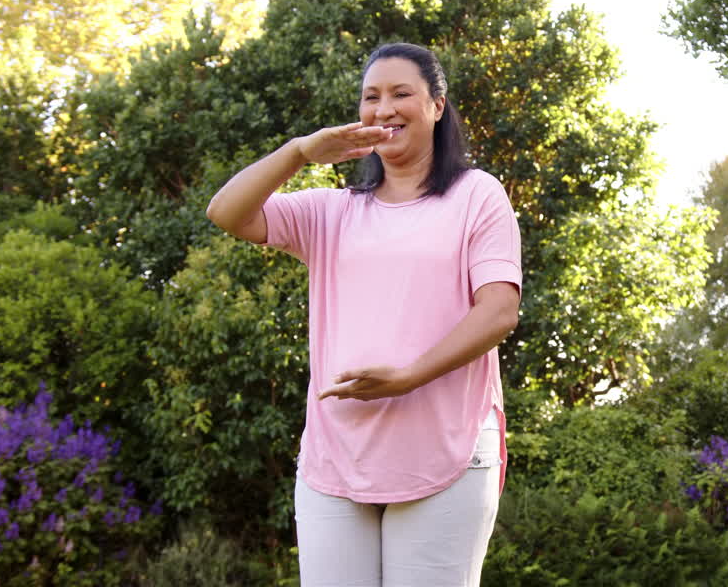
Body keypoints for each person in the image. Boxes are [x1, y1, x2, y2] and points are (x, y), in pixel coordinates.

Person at [206, 42, 521, 587]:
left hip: (447, 451)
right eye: (370, 97)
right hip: (335, 460)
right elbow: (226, 212)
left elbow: (498, 311)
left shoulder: (477, 195)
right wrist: (301, 151)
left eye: (402, 93)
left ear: (437, 106)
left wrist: (407, 377)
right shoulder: (333, 210)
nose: (384, 108)